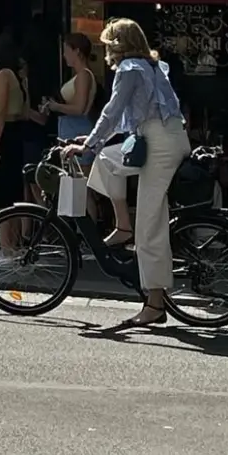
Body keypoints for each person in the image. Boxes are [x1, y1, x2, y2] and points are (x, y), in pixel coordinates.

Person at [64, 17, 189, 328]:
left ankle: (155, 305)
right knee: (106, 160)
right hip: (161, 138)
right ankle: (123, 226)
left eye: (108, 44)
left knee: (150, 225)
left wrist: (89, 144)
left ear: (117, 45)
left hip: (158, 144)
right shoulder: (150, 66)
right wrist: (93, 141)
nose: (106, 50)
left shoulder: (129, 69)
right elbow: (127, 118)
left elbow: (113, 110)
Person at [0, 33, 29, 251]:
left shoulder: (3, 75)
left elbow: (1, 110)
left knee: (1, 192)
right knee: (12, 191)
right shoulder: (18, 77)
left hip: (1, 132)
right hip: (15, 131)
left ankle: (6, 248)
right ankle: (12, 245)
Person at [41, 33, 98, 141]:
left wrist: (56, 106)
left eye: (66, 51)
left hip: (77, 129)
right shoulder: (81, 75)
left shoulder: (83, 75)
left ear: (76, 51)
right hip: (73, 127)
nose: (64, 55)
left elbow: (79, 108)